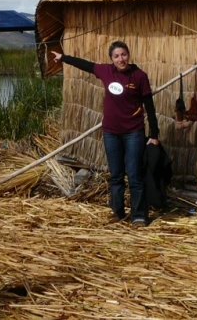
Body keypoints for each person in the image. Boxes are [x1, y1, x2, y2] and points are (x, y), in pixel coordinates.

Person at [51, 41, 159, 227]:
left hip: (133, 132)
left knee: (134, 175)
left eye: (123, 54)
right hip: (111, 133)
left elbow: (149, 106)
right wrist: (63, 58)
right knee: (116, 174)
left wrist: (154, 133)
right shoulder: (105, 71)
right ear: (111, 59)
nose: (121, 59)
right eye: (116, 56)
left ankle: (139, 215)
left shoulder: (139, 76)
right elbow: (84, 64)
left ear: (128, 55)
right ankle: (117, 213)